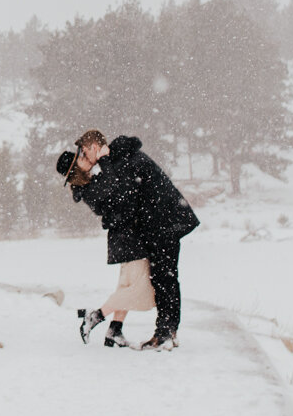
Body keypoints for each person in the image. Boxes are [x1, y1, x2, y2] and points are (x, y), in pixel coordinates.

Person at [55, 128, 200, 351]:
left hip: (164, 221)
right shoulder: (117, 160)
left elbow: (121, 191)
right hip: (156, 225)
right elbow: (117, 196)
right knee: (163, 278)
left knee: (165, 278)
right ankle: (164, 332)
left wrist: (104, 161)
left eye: (85, 152)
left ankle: (165, 333)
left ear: (95, 147)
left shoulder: (120, 159)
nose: (85, 157)